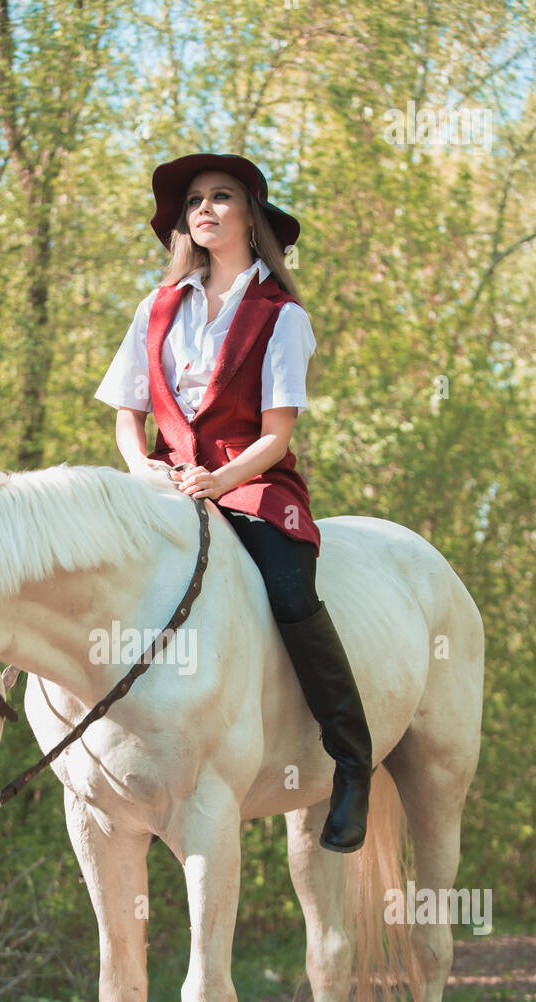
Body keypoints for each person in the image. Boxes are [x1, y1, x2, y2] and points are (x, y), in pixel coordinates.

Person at [94, 152, 372, 853]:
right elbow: (128, 415)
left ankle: (351, 759)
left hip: (249, 479)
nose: (204, 209)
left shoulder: (282, 316)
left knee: (289, 587)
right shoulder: (156, 308)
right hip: (159, 478)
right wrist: (139, 467)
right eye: (194, 201)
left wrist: (218, 483)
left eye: (221, 196)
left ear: (252, 216)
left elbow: (277, 436)